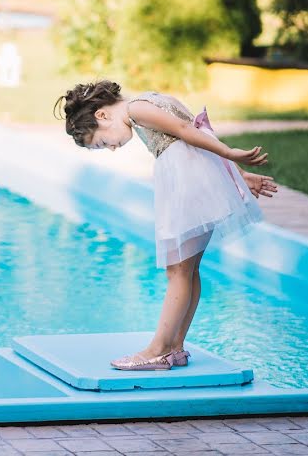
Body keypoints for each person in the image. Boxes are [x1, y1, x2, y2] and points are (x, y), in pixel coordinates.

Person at [54, 81, 277, 371]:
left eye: (102, 142)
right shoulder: (144, 105)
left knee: (178, 271)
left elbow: (189, 131)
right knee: (187, 270)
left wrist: (231, 154)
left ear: (102, 116)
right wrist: (238, 174)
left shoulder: (137, 108)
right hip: (196, 182)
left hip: (188, 187)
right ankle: (175, 348)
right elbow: (197, 133)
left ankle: (157, 349)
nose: (110, 148)